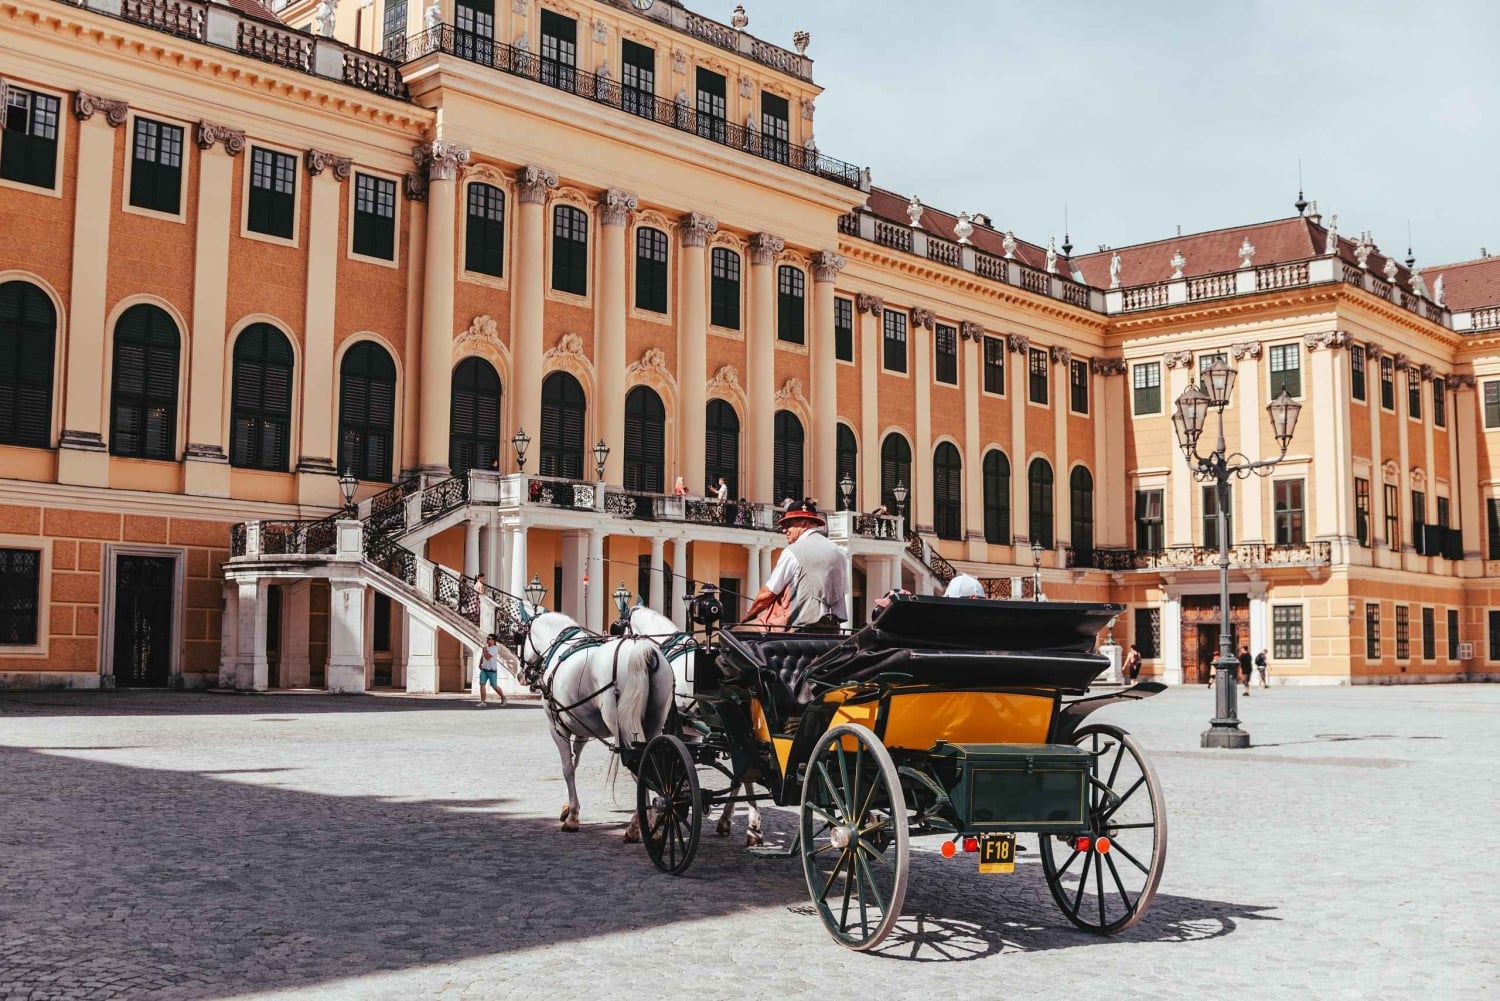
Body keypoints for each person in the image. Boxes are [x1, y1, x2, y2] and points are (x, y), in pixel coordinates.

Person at [743, 499, 849, 629]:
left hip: (801, 630)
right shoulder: (839, 552)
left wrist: (748, 616)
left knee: (737, 633)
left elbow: (768, 593)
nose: (784, 530)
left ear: (804, 523)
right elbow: (844, 591)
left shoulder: (792, 552)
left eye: (788, 525)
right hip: (833, 630)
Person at [477, 633, 506, 708]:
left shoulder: (494, 648)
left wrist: (485, 650)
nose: (487, 640)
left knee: (494, 686)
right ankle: (483, 702)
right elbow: (483, 656)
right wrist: (480, 663)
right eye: (487, 638)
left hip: (492, 670)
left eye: (489, 639)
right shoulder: (486, 648)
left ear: (493, 640)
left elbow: (487, 657)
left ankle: (503, 697)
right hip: (484, 669)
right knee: (482, 684)